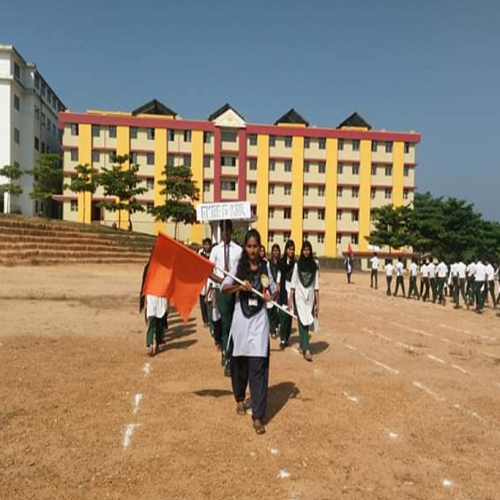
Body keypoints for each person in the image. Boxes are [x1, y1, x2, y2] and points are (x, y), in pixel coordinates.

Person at [221, 229, 274, 435]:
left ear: (260, 248)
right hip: (241, 323)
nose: (252, 250)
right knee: (240, 364)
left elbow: (273, 289)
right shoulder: (238, 267)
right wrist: (239, 288)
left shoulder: (265, 268)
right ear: (245, 247)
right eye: (249, 246)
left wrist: (270, 295)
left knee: (259, 366)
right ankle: (240, 398)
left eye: (255, 246)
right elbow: (224, 288)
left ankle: (258, 416)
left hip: (259, 322)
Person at [209, 220, 242, 376]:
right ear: (220, 232)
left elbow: (242, 270)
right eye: (222, 230)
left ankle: (231, 353)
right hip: (221, 290)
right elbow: (209, 271)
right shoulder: (215, 250)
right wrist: (222, 281)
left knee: (235, 324)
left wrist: (232, 280)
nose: (225, 233)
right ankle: (227, 356)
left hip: (234, 291)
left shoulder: (238, 250)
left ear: (231, 231)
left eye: (227, 230)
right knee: (225, 323)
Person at [290, 241, 320, 362]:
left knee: (307, 321)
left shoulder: (314, 266)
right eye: (304, 250)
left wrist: (318, 303)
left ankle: (303, 345)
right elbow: (293, 282)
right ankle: (307, 349)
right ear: (302, 251)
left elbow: (316, 285)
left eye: (308, 250)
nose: (306, 252)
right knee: (301, 321)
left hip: (310, 297)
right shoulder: (298, 265)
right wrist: (290, 299)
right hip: (299, 296)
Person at [278, 240, 296, 349]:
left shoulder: (295, 264)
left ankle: (287, 337)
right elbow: (279, 276)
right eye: (289, 249)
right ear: (286, 250)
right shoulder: (281, 263)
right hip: (283, 290)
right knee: (283, 316)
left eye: (293, 249)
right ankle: (282, 338)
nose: (291, 251)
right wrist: (278, 287)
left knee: (289, 316)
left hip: (292, 290)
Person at [267, 244, 281, 339]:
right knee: (271, 310)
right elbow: (268, 276)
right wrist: (271, 289)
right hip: (270, 289)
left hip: (279, 289)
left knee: (278, 310)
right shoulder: (268, 264)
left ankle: (277, 326)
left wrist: (278, 288)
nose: (276, 252)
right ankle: (272, 330)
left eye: (277, 250)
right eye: (274, 250)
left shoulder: (281, 263)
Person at [198, 238, 213, 328]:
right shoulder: (200, 253)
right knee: (202, 299)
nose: (207, 246)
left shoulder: (213, 253)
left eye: (208, 244)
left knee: (210, 300)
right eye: (205, 244)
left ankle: (210, 319)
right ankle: (205, 320)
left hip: (211, 278)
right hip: (202, 278)